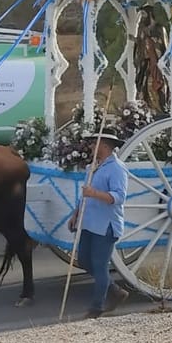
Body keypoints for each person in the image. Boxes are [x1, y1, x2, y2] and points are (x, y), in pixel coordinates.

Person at [68, 133, 129, 319]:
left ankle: (97, 307)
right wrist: (76, 213)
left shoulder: (117, 169)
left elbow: (118, 197)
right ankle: (115, 290)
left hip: (105, 225)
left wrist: (94, 193)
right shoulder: (93, 167)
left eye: (95, 144)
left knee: (100, 265)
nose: (91, 147)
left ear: (105, 146)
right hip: (88, 222)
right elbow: (84, 195)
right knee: (85, 261)